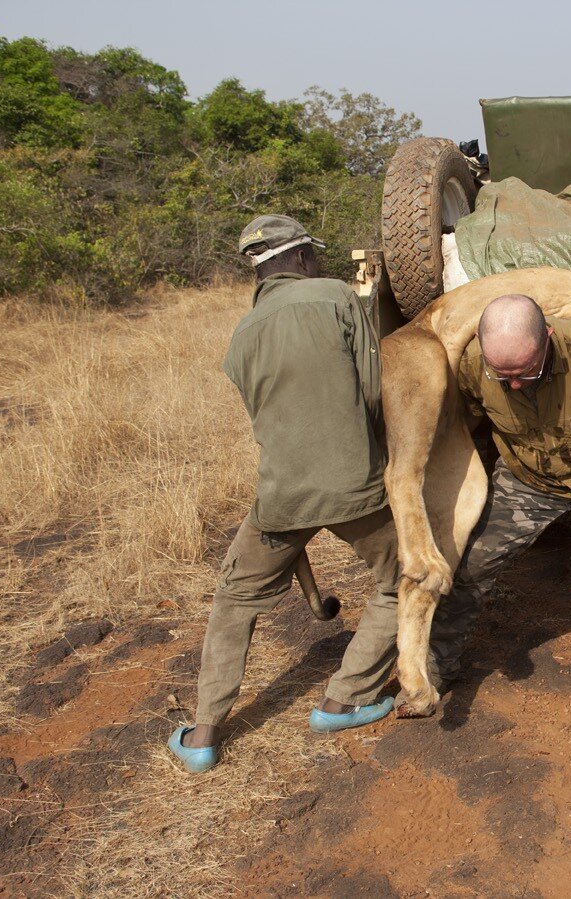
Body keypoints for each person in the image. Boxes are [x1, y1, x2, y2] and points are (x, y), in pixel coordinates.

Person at [168, 214, 404, 773]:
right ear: (299, 258)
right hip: (359, 488)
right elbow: (374, 393)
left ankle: (202, 735)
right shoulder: (337, 297)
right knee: (404, 580)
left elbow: (266, 420)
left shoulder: (241, 337)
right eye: (312, 257)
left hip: (280, 498)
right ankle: (342, 699)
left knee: (234, 599)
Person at [425, 294, 571, 690]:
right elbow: (470, 422)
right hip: (526, 481)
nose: (515, 384)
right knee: (468, 567)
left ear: (548, 337)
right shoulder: (470, 364)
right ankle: (434, 671)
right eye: (503, 376)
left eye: (525, 371)